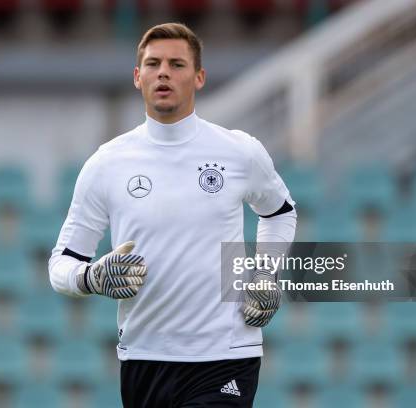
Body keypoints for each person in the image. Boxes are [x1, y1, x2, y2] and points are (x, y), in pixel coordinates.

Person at [49, 22, 297, 407]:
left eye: (177, 64)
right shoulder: (107, 163)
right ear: (137, 77)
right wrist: (91, 276)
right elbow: (61, 263)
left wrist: (265, 273)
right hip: (145, 356)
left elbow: (280, 211)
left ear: (199, 77)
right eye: (153, 63)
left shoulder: (239, 151)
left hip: (227, 353)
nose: (163, 72)